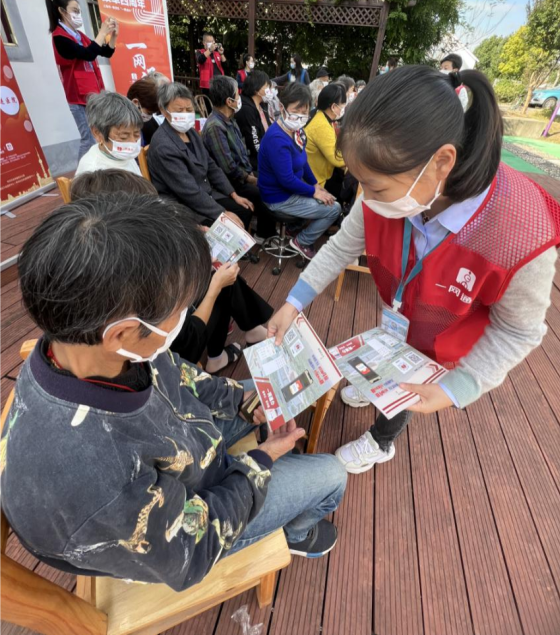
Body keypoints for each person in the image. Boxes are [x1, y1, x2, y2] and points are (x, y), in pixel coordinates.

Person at [0, 193, 347, 591]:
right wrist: (259, 461)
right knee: (332, 475)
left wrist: (242, 403)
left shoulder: (86, 340)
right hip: (187, 528)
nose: (187, 314)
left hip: (191, 449)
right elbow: (188, 551)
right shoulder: (90, 476)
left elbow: (182, 377)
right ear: (123, 333)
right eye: (181, 307)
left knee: (279, 387)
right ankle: (297, 534)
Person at [268, 66, 560, 475]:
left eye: (375, 187)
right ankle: (377, 389)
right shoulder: (387, 185)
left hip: (445, 337)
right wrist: (294, 301)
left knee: (409, 393)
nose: (365, 199)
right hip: (400, 310)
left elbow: (519, 330)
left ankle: (381, 441)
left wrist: (455, 388)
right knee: (390, 364)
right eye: (362, 185)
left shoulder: (520, 231)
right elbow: (342, 246)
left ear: (442, 161)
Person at [70, 169, 273, 374]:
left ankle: (248, 331)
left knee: (219, 275)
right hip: (170, 355)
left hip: (165, 334)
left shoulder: (103, 255)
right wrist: (214, 288)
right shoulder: (133, 282)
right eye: (148, 213)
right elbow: (184, 339)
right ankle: (223, 352)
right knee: (220, 283)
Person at [147, 82, 254, 229]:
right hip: (183, 205)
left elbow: (211, 166)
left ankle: (239, 250)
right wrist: (222, 214)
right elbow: (188, 190)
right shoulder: (163, 145)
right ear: (164, 111)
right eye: (179, 110)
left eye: (189, 109)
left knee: (243, 210)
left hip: (205, 194)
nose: (185, 114)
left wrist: (233, 194)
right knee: (229, 224)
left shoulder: (190, 132)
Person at [258, 82, 342, 260]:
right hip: (278, 197)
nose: (301, 116)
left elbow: (303, 162)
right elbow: (286, 180)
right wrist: (313, 192)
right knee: (334, 209)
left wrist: (315, 185)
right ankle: (302, 241)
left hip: (290, 190)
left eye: (305, 112)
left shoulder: (296, 130)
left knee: (326, 196)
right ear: (282, 107)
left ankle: (293, 228)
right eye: (296, 111)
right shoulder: (277, 138)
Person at [46, 0, 118, 160]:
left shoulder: (79, 36)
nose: (78, 15)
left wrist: (113, 36)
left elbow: (104, 52)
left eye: (78, 11)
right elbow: (88, 54)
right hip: (79, 97)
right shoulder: (60, 37)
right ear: (62, 11)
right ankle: (82, 177)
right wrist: (101, 32)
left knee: (99, 135)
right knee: (89, 139)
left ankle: (98, 169)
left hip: (93, 94)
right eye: (75, 11)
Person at [202, 77, 276, 239]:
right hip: (230, 183)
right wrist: (251, 179)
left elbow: (241, 154)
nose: (239, 98)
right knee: (264, 190)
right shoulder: (215, 126)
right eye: (237, 95)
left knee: (272, 179)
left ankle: (266, 229)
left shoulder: (229, 119)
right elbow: (228, 167)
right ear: (229, 101)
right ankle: (263, 235)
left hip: (242, 174)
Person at [75, 92, 143, 178]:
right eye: (123, 137)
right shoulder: (93, 173)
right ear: (97, 133)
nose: (133, 142)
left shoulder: (121, 155)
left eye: (136, 134)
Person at [305, 83, 347, 198]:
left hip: (320, 174)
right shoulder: (321, 125)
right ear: (334, 107)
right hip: (316, 181)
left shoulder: (319, 115)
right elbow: (337, 159)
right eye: (342, 105)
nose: (343, 109)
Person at [235, 70, 273, 169]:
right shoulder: (246, 109)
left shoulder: (262, 105)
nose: (270, 90)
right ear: (257, 89)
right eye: (267, 86)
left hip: (267, 153)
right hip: (255, 161)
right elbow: (254, 143)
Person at [127, 75, 169, 146]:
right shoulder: (120, 125)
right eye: (149, 113)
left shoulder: (146, 123)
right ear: (135, 103)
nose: (150, 117)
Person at [197, 33, 226, 97]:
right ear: (204, 43)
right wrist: (210, 50)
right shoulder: (200, 52)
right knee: (208, 105)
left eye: (213, 41)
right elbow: (200, 60)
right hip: (207, 86)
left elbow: (225, 66)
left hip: (219, 84)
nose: (212, 43)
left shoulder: (217, 53)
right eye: (210, 42)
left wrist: (221, 54)